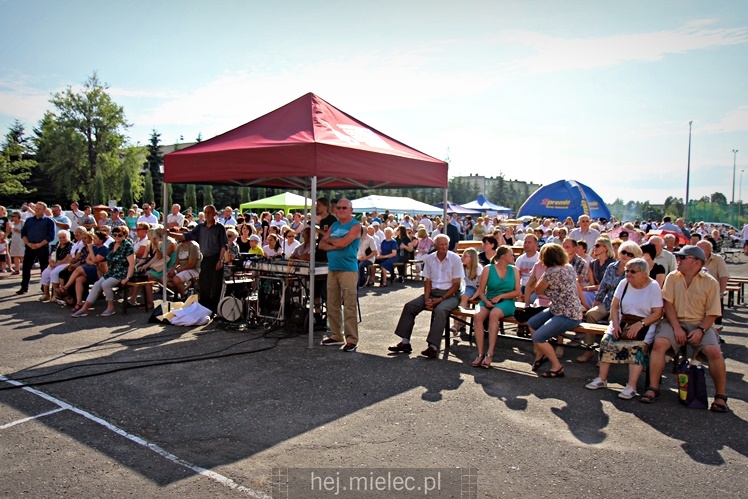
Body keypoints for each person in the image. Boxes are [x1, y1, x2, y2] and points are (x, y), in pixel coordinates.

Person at [641, 245, 729, 412]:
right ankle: (653, 388)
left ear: (696, 262)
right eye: (678, 257)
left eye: (683, 257)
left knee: (715, 352)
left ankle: (720, 396)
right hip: (675, 321)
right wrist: (676, 328)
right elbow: (668, 303)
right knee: (659, 344)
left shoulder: (711, 282)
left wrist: (701, 330)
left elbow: (713, 312)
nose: (678, 260)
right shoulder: (673, 277)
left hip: (701, 324)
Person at [585, 258, 663, 399]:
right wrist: (614, 324)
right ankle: (602, 379)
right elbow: (614, 306)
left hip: (644, 323)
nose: (628, 274)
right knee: (606, 342)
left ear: (644, 273)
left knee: (637, 348)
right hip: (622, 321)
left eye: (633, 271)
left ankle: (631, 386)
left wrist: (640, 324)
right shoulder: (624, 283)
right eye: (627, 270)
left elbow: (658, 313)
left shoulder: (653, 286)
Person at [388, 234, 462, 358]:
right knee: (410, 306)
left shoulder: (455, 259)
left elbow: (456, 284)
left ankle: (433, 346)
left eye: (446, 244)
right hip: (433, 292)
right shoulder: (430, 258)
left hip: (450, 294)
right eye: (441, 244)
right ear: (435, 245)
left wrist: (441, 299)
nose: (444, 247)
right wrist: (427, 298)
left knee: (440, 310)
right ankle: (405, 342)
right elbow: (427, 281)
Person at [525, 243, 585, 378]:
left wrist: (542, 273)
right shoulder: (569, 267)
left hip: (567, 314)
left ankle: (557, 367)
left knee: (538, 336)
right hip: (560, 309)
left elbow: (538, 290)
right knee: (532, 323)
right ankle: (541, 355)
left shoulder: (551, 272)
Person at [577, 241, 642, 362]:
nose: (625, 255)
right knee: (591, 314)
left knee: (612, 322)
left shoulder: (635, 271)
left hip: (622, 307)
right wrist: (596, 303)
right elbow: (602, 287)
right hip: (607, 303)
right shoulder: (612, 266)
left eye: (630, 254)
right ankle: (588, 350)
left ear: (635, 257)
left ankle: (605, 356)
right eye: (623, 252)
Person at [318, 199, 361, 352]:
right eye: (339, 208)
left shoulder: (356, 226)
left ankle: (351, 339)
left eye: (344, 208)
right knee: (332, 304)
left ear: (351, 210)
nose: (341, 210)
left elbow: (343, 244)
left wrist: (332, 241)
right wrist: (337, 242)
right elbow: (321, 245)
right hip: (333, 268)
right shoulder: (335, 225)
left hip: (348, 270)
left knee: (349, 305)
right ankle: (336, 335)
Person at [169, 205, 227, 315]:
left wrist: (220, 260)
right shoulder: (200, 227)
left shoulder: (219, 228)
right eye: (205, 212)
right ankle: (205, 308)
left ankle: (215, 310)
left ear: (215, 213)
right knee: (204, 284)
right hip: (204, 258)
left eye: (209, 212)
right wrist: (169, 233)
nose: (207, 215)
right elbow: (185, 236)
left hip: (216, 258)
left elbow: (223, 246)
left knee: (215, 285)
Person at [471, 246, 521, 368]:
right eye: (511, 255)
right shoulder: (488, 268)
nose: (513, 257)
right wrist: (486, 301)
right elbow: (481, 291)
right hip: (489, 299)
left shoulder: (514, 270)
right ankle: (480, 353)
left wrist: (501, 296)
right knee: (477, 316)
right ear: (503, 257)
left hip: (507, 301)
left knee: (494, 314)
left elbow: (517, 292)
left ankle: (490, 353)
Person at [71, 226, 135, 317]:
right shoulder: (112, 245)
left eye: (120, 235)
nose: (117, 237)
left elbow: (132, 264)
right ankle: (85, 308)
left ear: (125, 235)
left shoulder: (127, 246)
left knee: (106, 284)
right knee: (97, 284)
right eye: (115, 235)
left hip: (122, 272)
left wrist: (127, 278)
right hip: (111, 272)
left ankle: (110, 307)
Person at [17, 202, 55, 295]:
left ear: (44, 210)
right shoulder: (29, 220)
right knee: (26, 267)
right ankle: (24, 287)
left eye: (39, 209)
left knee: (44, 268)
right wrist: (28, 244)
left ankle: (44, 288)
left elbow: (51, 236)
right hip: (30, 247)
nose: (37, 210)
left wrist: (39, 244)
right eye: (36, 208)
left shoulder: (49, 221)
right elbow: (23, 233)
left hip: (43, 247)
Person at [697, 240, 729, 332]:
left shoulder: (718, 259)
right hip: (698, 291)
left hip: (713, 291)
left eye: (698, 248)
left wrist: (721, 293)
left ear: (707, 251)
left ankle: (716, 333)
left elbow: (724, 276)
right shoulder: (694, 258)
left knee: (716, 312)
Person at [451, 247, 483, 335]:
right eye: (462, 255)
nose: (462, 257)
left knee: (465, 297)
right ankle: (459, 324)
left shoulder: (478, 268)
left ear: (472, 258)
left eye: (465, 256)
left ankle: (457, 324)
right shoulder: (462, 267)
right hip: (469, 287)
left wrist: (473, 297)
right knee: (458, 298)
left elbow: (482, 286)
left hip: (480, 288)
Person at [39, 229, 73, 302]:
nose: (62, 239)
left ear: (68, 237)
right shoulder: (58, 244)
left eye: (64, 237)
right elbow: (51, 254)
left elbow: (67, 258)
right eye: (60, 237)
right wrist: (50, 262)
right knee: (45, 273)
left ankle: (55, 295)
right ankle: (46, 294)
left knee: (54, 273)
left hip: (65, 263)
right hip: (55, 263)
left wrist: (57, 264)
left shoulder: (70, 245)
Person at [8, 210, 24, 275]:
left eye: (13, 216)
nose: (12, 218)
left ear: (18, 216)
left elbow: (26, 232)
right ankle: (17, 269)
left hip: (22, 240)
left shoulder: (23, 223)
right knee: (15, 255)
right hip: (14, 240)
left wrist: (17, 230)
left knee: (22, 255)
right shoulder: (12, 224)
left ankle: (25, 268)